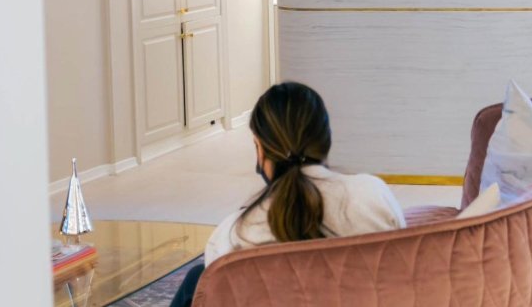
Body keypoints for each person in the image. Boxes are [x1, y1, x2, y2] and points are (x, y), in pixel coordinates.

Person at [171, 82, 406, 306]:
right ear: (325, 140)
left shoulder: (233, 234)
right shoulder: (373, 195)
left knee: (197, 278)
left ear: (260, 149)